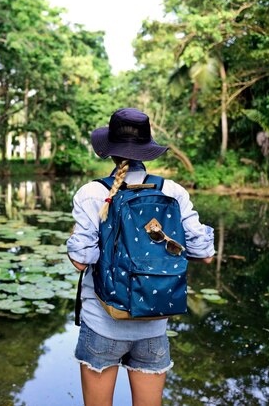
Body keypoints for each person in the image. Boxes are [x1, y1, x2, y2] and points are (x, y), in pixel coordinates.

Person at [66, 108, 215, 406]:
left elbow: (81, 260)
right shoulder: (172, 191)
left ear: (108, 150)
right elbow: (205, 254)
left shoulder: (92, 193)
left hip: (102, 324)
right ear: (146, 150)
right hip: (154, 325)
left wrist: (74, 235)